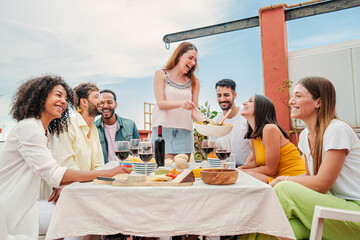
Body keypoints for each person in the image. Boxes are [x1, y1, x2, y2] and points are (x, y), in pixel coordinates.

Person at [0, 75, 130, 239]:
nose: (63, 101)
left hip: (27, 203)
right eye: (58, 95)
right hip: (13, 208)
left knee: (92, 212)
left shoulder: (42, 130)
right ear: (41, 96)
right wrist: (108, 173)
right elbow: (55, 175)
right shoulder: (29, 128)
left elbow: (51, 172)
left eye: (65, 98)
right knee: (90, 215)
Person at [270, 76, 360, 239]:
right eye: (293, 95)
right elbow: (309, 177)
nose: (291, 101)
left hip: (354, 212)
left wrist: (282, 179)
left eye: (298, 96)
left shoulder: (337, 130)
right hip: (329, 208)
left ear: (318, 102)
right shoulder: (305, 136)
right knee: (288, 229)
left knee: (283, 189)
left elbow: (321, 184)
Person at [151, 41, 203, 160]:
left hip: (185, 133)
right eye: (190, 58)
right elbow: (161, 103)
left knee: (183, 172)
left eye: (195, 60)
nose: (193, 62)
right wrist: (181, 103)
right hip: (163, 132)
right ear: (180, 55)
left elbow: (194, 110)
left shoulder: (194, 81)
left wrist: (208, 124)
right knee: (164, 171)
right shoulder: (161, 74)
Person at [238, 94, 306, 183]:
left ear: (261, 108)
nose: (244, 103)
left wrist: (242, 172)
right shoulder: (253, 137)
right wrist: (237, 169)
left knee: (246, 177)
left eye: (250, 101)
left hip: (294, 179)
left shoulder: (270, 129)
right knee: (241, 176)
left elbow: (271, 169)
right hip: (277, 180)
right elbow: (255, 163)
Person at [48, 82, 105, 171]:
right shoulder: (66, 126)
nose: (102, 100)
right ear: (84, 102)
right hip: (73, 184)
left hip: (90, 184)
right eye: (97, 96)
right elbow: (67, 167)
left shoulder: (94, 130)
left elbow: (99, 166)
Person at [210, 78, 251, 166]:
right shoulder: (215, 122)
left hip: (245, 167)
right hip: (223, 167)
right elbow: (212, 151)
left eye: (226, 95)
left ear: (234, 95)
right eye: (219, 95)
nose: (222, 99)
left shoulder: (246, 118)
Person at [94, 89, 140, 164]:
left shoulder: (130, 125)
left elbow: (138, 152)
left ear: (115, 104)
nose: (105, 106)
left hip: (127, 169)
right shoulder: (93, 128)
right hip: (104, 171)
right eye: (102, 103)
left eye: (109, 102)